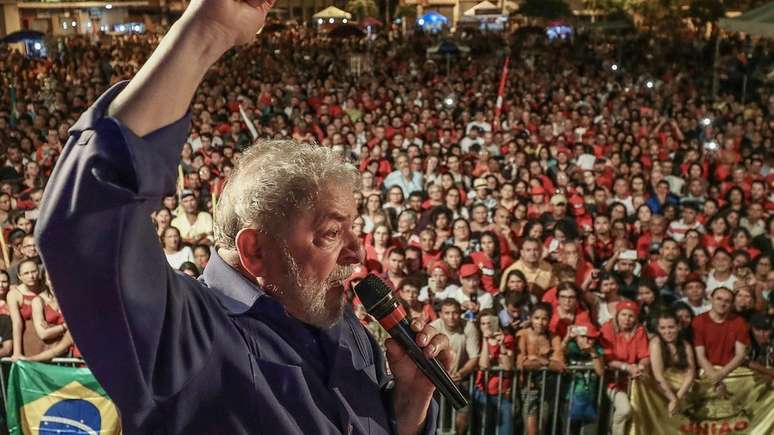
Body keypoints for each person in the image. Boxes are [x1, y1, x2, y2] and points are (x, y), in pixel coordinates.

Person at [35, 2, 452, 432]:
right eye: (330, 233)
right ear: (255, 250)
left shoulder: (345, 328)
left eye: (353, 228)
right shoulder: (185, 337)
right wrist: (205, 32)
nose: (357, 252)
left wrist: (408, 404)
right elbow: (84, 226)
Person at [599, 300, 650, 435]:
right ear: (617, 315)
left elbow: (645, 355)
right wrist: (627, 367)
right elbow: (606, 359)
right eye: (624, 314)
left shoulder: (639, 330)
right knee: (624, 410)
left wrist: (640, 366)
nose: (627, 319)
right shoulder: (607, 328)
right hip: (611, 380)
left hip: (634, 380)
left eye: (631, 316)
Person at [516, 302, 565, 435]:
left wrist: (539, 360)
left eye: (544, 319)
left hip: (548, 387)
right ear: (531, 318)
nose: (540, 322)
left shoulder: (553, 337)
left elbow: (560, 366)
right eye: (537, 318)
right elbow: (522, 363)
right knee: (531, 429)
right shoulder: (523, 334)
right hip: (528, 386)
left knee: (541, 428)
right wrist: (546, 362)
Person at [692, 287, 750, 397]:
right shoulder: (698, 321)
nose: (722, 303)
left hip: (731, 371)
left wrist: (720, 375)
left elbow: (740, 355)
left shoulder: (739, 322)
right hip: (706, 370)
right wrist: (717, 382)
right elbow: (700, 356)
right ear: (711, 299)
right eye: (719, 299)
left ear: (732, 304)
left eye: (727, 301)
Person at [649, 311, 695, 416]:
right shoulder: (656, 343)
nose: (667, 332)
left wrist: (677, 398)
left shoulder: (685, 344)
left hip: (680, 388)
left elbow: (690, 374)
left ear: (679, 327)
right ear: (658, 329)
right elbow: (658, 376)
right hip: (661, 387)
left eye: (671, 327)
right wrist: (672, 399)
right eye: (663, 328)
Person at [7, 259, 47, 358]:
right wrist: (17, 352)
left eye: (33, 271)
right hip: (30, 346)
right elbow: (17, 323)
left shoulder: (48, 288)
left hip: (54, 344)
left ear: (38, 271)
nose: (31, 276)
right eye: (26, 273)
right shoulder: (14, 294)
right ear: (19, 276)